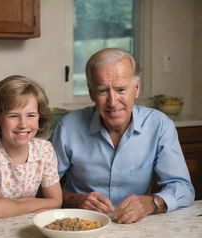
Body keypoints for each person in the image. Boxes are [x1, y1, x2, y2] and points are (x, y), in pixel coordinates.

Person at [50, 48, 195, 224]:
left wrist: (152, 203)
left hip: (136, 227)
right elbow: (41, 187)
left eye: (121, 89)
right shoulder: (68, 127)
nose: (112, 102)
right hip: (79, 225)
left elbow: (184, 189)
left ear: (136, 88)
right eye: (103, 90)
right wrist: (75, 200)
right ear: (91, 92)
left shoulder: (159, 125)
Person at [0, 75, 62, 221]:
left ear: (40, 118)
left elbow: (56, 202)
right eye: (13, 116)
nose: (23, 124)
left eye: (31, 115)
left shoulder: (44, 150)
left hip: (18, 229)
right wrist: (32, 204)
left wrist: (10, 206)